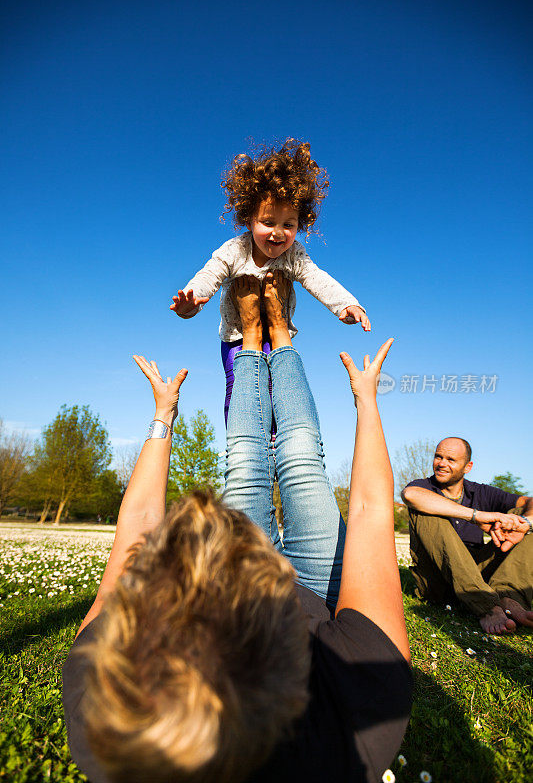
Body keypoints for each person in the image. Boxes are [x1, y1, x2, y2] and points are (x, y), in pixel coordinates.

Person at [62, 273, 412, 783]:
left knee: (247, 456)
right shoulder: (358, 706)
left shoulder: (110, 704)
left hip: (257, 587)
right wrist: (367, 400)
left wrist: (163, 418)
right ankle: (282, 335)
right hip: (316, 588)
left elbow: (137, 525)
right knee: (297, 456)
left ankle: (251, 337)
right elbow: (370, 513)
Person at [170, 138, 370, 423]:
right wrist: (191, 300)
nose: (278, 233)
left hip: (278, 337)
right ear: (249, 218)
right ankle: (242, 433)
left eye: (288, 225)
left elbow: (317, 279)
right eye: (268, 222)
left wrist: (346, 305)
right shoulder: (234, 251)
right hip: (237, 338)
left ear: (300, 224)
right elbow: (210, 275)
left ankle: (275, 440)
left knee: (279, 390)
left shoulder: (294, 255)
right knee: (241, 386)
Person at [402, 437, 533, 635]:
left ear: (467, 466)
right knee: (425, 509)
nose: (442, 464)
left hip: (476, 572)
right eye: (438, 457)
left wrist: (526, 523)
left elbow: (528, 501)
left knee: (521, 520)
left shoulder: (480, 491)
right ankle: (488, 607)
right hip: (437, 580)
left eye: (451, 459)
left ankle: (508, 596)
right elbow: (411, 495)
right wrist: (475, 515)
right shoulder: (424, 487)